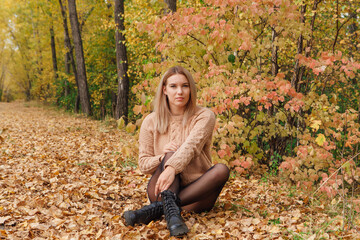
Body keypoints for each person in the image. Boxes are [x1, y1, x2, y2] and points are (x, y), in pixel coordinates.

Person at [123, 66, 230, 237]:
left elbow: (192, 146)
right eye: (173, 86)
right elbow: (143, 164)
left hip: (198, 193)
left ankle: (157, 209)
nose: (179, 91)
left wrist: (172, 167)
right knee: (170, 154)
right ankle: (169, 212)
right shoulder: (150, 121)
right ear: (164, 89)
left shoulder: (204, 116)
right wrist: (163, 159)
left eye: (185, 86)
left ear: (191, 89)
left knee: (222, 170)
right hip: (161, 187)